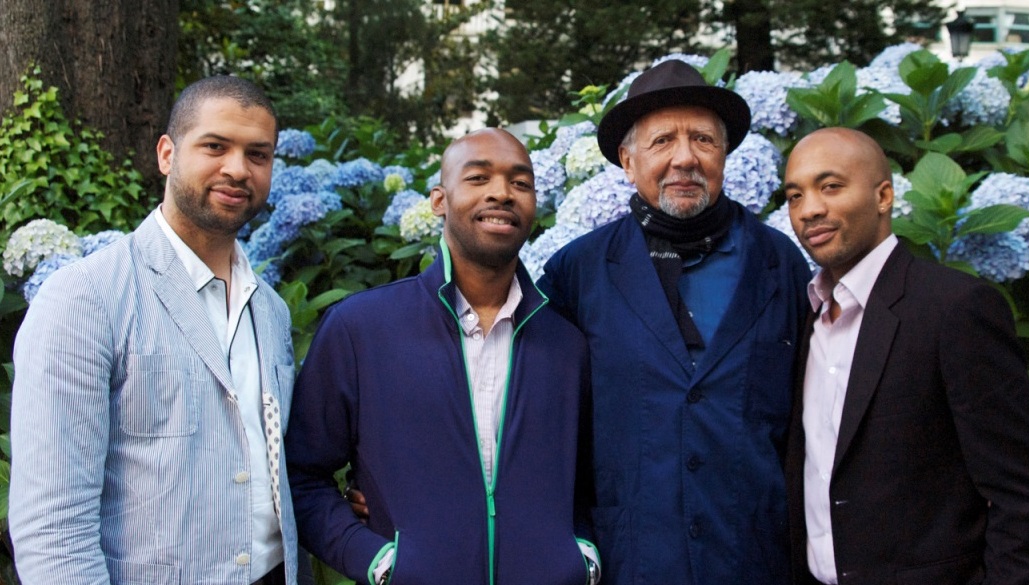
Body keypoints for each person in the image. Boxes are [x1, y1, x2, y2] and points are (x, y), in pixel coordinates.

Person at [9, 76, 300, 584]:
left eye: (258, 154)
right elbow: (53, 531)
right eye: (215, 146)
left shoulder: (271, 311)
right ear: (167, 153)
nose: (237, 168)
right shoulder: (83, 299)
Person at [537, 59, 812, 584]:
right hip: (630, 561)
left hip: (754, 559)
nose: (685, 158)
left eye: (703, 141)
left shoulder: (779, 264)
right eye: (663, 141)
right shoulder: (577, 273)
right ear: (627, 159)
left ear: (725, 153)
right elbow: (528, 404)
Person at [285, 128, 599, 585]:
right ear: (439, 200)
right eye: (477, 178)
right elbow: (301, 477)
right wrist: (378, 561)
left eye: (521, 183)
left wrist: (582, 557)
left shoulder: (568, 346)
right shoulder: (361, 330)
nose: (501, 193)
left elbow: (596, 483)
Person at [782, 127, 1029, 585]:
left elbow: (1023, 495)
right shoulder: (804, 315)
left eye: (830, 187)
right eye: (794, 195)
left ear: (884, 196)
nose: (809, 209)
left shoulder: (955, 308)